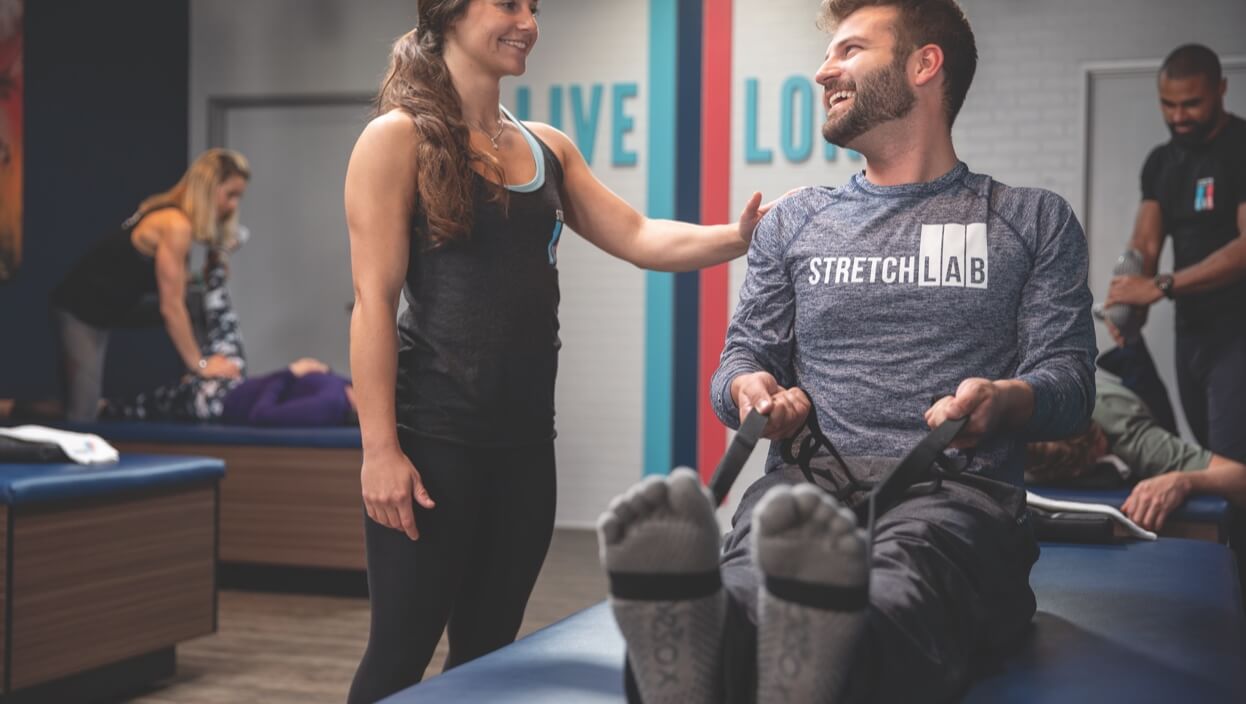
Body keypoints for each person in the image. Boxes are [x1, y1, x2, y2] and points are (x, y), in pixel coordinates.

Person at [596, 1, 1096, 702]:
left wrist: (1004, 398)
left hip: (952, 496)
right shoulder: (797, 220)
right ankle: (711, 638)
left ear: (924, 65)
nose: (823, 70)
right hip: (802, 492)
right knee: (747, 581)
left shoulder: (1029, 219)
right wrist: (753, 392)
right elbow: (740, 359)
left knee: (902, 579)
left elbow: (1070, 383)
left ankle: (805, 649)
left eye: (851, 50)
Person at [342, 2, 772, 701]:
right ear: (449, 13)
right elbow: (372, 304)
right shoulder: (396, 140)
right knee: (398, 656)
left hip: (524, 449)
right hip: (432, 448)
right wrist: (379, 449)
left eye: (533, 8)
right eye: (508, 5)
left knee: (486, 657)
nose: (528, 21)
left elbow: (637, 235)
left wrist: (740, 236)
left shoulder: (546, 147)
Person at [1104, 44, 1246, 464]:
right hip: (1193, 334)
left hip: (1237, 331)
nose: (1178, 116)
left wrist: (1162, 286)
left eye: (1191, 104)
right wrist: (1129, 303)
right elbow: (1146, 244)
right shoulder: (1162, 162)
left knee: (1231, 461)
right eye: (1168, 104)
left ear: (1221, 88)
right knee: (1204, 452)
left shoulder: (1241, 148)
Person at [51, 148, 252, 421]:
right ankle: (202, 369)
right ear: (209, 188)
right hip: (82, 310)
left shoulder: (181, 223)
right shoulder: (174, 224)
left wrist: (203, 276)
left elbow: (175, 285)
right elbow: (171, 307)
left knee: (195, 298)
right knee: (82, 412)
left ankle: (201, 373)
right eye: (230, 195)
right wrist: (200, 365)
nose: (233, 206)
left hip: (121, 304)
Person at [101, 262, 356, 427]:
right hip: (233, 381)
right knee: (226, 323)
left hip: (219, 404)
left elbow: (262, 415)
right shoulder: (346, 386)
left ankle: (107, 408)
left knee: (160, 402)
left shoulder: (331, 405)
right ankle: (215, 269)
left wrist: (290, 373)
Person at [1025, 375, 1246, 533]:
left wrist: (1184, 481)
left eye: (1096, 444)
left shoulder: (1132, 437)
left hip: (1132, 407)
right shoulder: (1007, 430)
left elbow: (1239, 477)